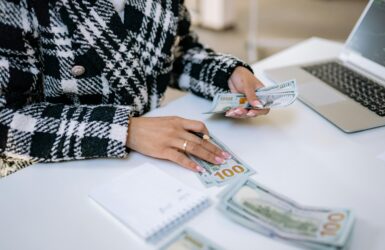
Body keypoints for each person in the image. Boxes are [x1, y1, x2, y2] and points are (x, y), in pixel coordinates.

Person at [0, 0, 269, 177]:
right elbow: (6, 119)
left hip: (146, 165)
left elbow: (176, 52)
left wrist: (226, 75)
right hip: (48, 172)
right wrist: (125, 130)